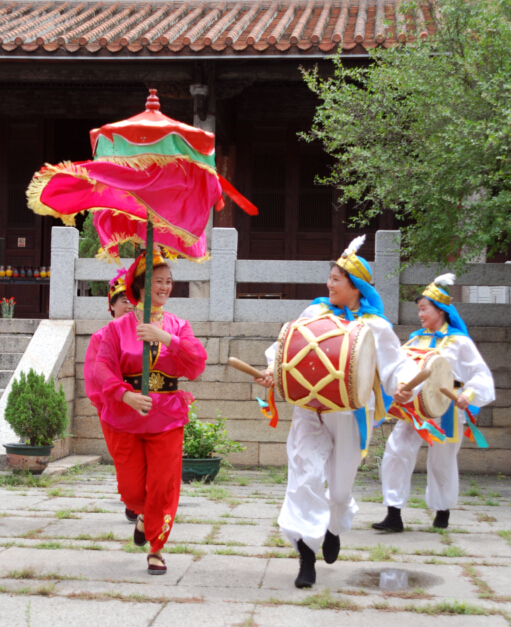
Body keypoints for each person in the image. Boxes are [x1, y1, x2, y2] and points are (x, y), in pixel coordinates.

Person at [255, 235, 420, 589]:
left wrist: (405, 384)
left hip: (351, 414)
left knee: (340, 490)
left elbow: (396, 367)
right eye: (329, 277)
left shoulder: (375, 327)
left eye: (336, 279)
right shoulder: (313, 313)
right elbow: (286, 347)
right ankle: (306, 556)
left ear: (356, 287)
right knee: (304, 477)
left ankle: (332, 527)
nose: (329, 284)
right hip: (310, 410)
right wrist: (272, 368)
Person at [93, 249, 207, 575]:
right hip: (127, 414)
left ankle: (156, 548)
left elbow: (196, 362)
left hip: (167, 414)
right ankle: (143, 515)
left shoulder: (178, 325)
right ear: (141, 284)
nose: (165, 287)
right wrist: (125, 395)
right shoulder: (117, 329)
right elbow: (103, 369)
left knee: (162, 485)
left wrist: (165, 337)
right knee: (132, 490)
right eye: (158, 281)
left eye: (169, 281)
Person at [373, 274, 495, 532]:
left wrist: (469, 395)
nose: (419, 314)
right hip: (414, 410)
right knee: (396, 451)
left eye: (423, 309)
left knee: (442, 461)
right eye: (419, 309)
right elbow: (399, 369)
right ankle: (393, 514)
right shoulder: (416, 340)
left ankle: (442, 512)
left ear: (440, 311)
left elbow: (481, 375)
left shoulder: (459, 342)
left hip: (447, 409)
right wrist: (398, 389)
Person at [83, 269, 138, 522]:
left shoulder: (146, 334)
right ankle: (132, 498)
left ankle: (142, 500)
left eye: (132, 299)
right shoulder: (100, 337)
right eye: (123, 299)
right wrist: (114, 402)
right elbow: (96, 379)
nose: (129, 305)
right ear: (111, 306)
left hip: (144, 406)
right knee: (125, 458)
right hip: (114, 407)